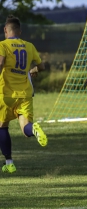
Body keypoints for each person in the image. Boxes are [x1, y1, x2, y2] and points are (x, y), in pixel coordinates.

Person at [0, 15, 48, 174]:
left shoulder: (3, 45)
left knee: (2, 126)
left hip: (5, 94)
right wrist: (32, 70)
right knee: (25, 128)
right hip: (25, 94)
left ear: (5, 30)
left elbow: (0, 63)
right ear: (19, 31)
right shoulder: (29, 46)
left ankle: (10, 163)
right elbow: (41, 67)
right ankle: (33, 128)